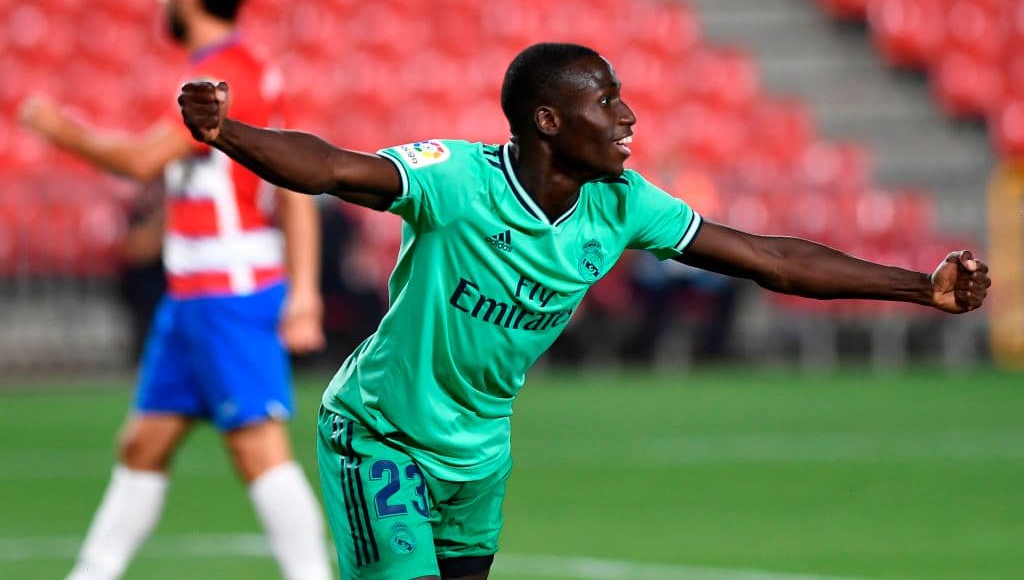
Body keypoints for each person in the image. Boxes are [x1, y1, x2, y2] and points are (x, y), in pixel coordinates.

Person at [177, 42, 990, 580]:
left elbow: (770, 257)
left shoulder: (621, 202)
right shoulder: (457, 179)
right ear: (548, 120)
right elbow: (333, 169)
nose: (628, 116)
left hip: (479, 449)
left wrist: (920, 287)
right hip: (380, 431)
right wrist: (226, 133)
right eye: (607, 101)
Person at [19, 0, 333, 580]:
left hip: (231, 293)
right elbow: (279, 191)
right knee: (143, 442)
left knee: (257, 448)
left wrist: (58, 127)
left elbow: (141, 160)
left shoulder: (229, 76)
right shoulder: (234, 68)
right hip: (193, 297)